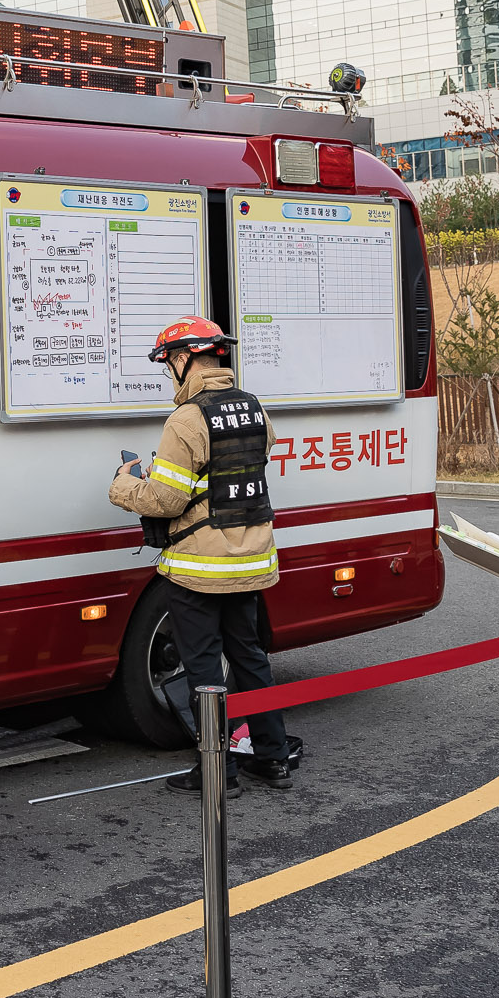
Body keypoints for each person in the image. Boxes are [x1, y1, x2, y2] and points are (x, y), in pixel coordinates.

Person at [107, 316, 292, 797]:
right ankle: (271, 758)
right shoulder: (254, 410)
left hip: (199, 567)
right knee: (250, 659)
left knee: (205, 669)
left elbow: (167, 501)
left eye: (169, 362)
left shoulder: (186, 420)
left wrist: (125, 485)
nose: (169, 371)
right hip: (252, 557)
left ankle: (218, 773)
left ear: (184, 359)